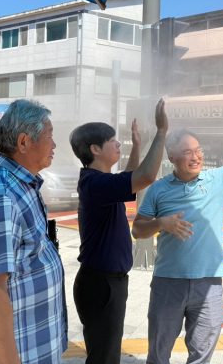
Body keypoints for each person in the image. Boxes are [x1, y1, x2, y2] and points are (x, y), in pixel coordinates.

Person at [131, 94, 223, 364]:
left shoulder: (219, 179)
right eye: (187, 152)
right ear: (172, 157)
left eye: (198, 150)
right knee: (158, 353)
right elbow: (138, 230)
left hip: (210, 283)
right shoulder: (158, 189)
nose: (196, 157)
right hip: (169, 281)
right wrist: (161, 223)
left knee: (202, 355)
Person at [0, 99, 67, 364]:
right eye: (49, 136)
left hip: (32, 345)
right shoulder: (1, 197)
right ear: (24, 142)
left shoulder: (22, 185)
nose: (54, 145)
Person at [69, 98, 168, 364]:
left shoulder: (99, 183)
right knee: (105, 358)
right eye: (113, 141)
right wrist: (161, 132)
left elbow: (130, 178)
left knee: (106, 354)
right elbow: (145, 177)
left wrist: (136, 145)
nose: (118, 144)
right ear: (95, 149)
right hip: (102, 285)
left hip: (104, 283)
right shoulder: (95, 184)